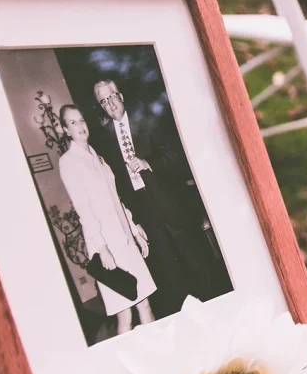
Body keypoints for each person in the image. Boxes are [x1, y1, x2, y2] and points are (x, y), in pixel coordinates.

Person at [90, 79, 232, 318]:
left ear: (121, 96)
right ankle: (187, 319)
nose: (110, 103)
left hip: (170, 202)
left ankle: (217, 309)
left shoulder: (147, 120)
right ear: (101, 107)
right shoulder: (103, 139)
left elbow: (174, 155)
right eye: (104, 101)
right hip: (143, 210)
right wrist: (132, 222)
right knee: (168, 267)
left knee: (194, 258)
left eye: (112, 96)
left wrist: (148, 163)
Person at [57, 104, 156, 335]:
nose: (80, 126)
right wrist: (102, 249)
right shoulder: (69, 162)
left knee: (145, 303)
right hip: (107, 247)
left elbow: (116, 199)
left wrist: (134, 227)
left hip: (124, 240)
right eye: (73, 123)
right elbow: (84, 210)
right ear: (65, 130)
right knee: (125, 314)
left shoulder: (97, 157)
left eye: (81, 120)